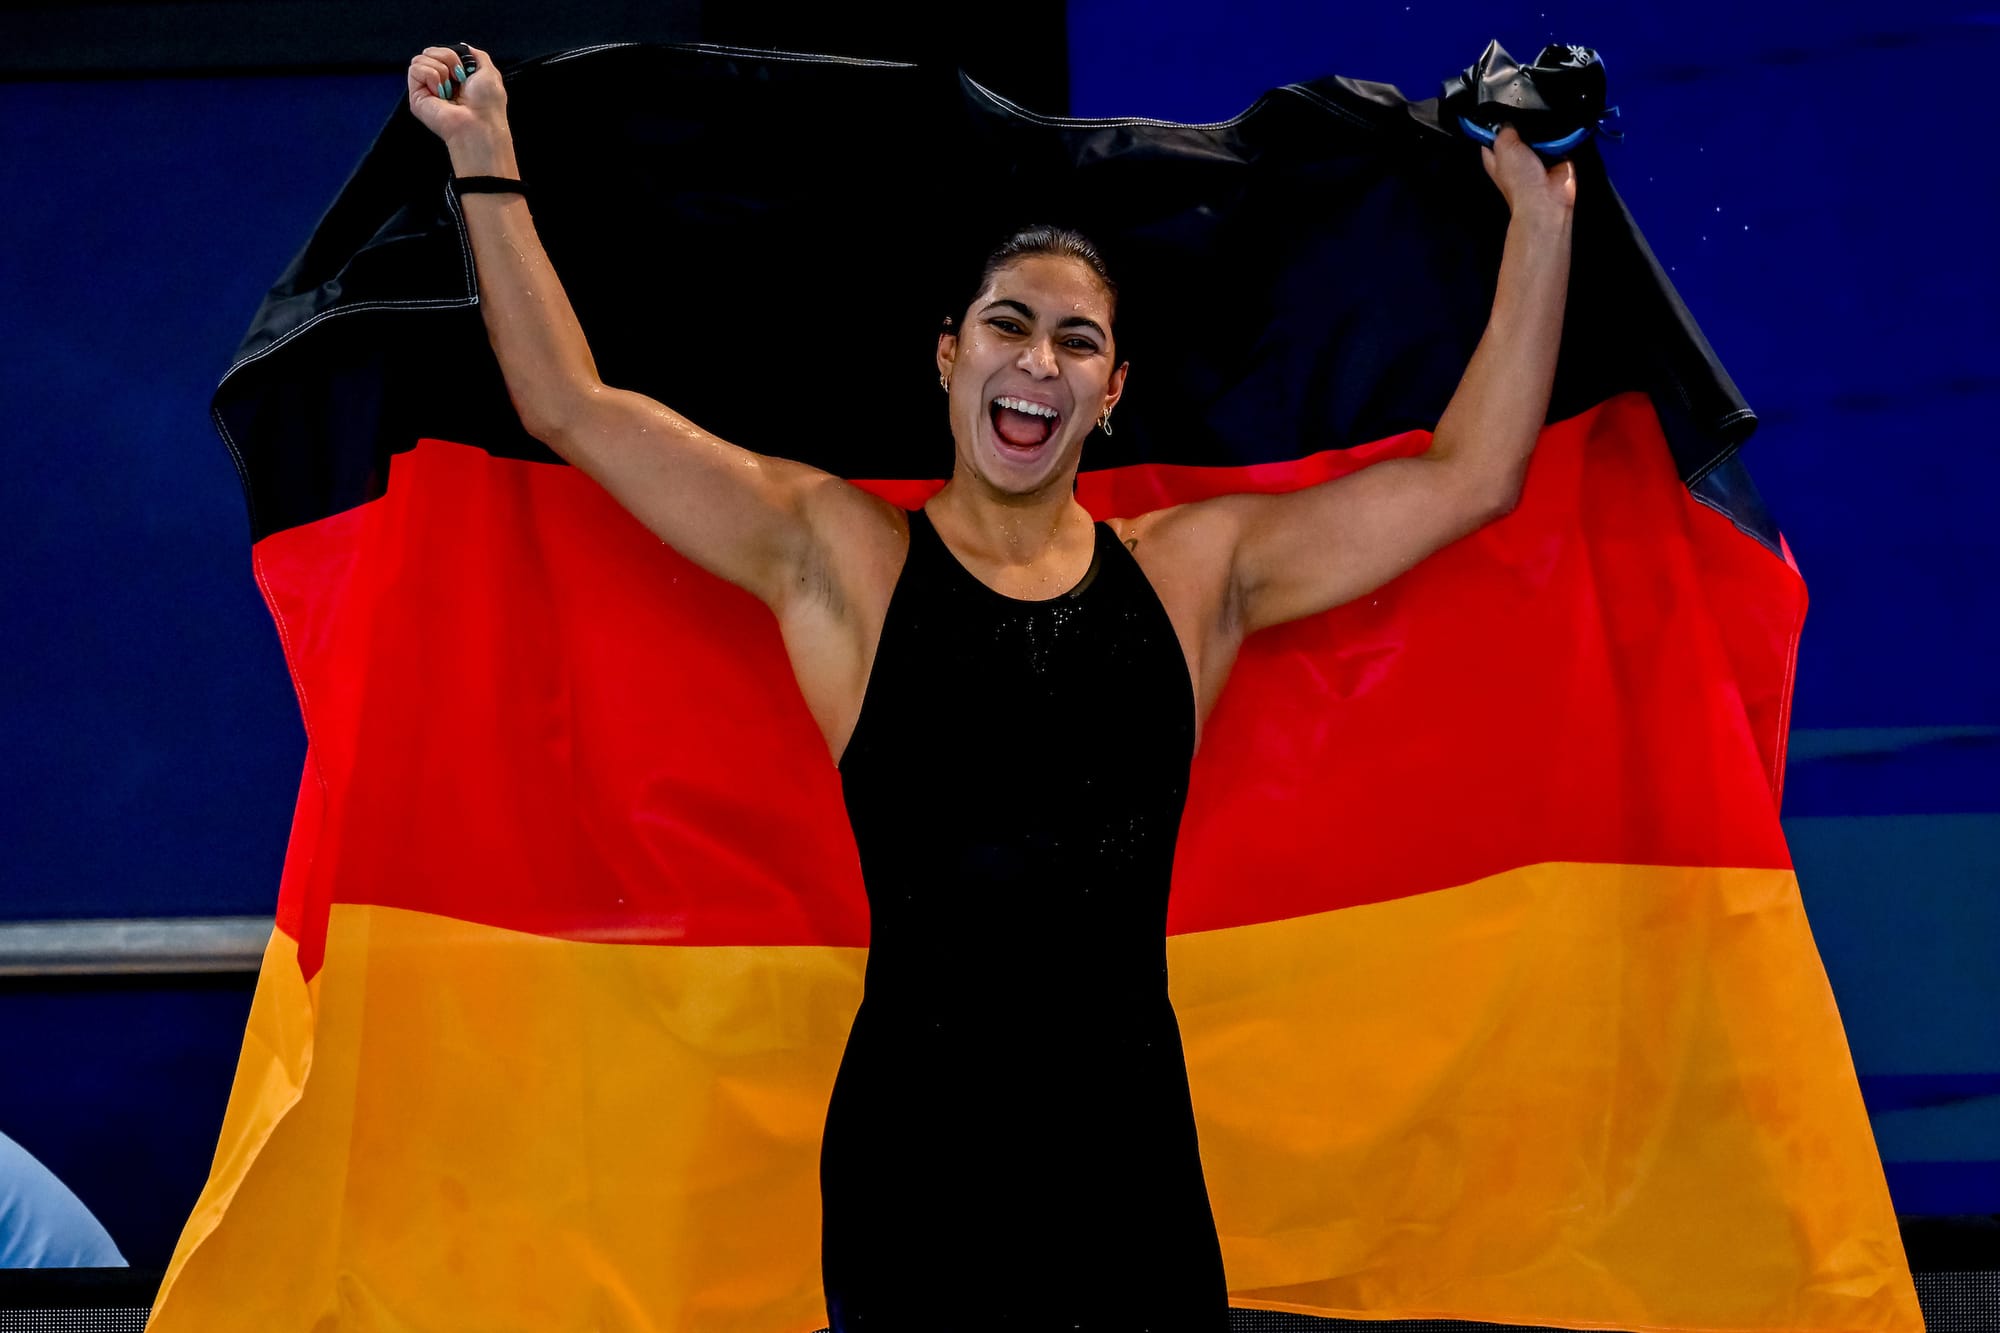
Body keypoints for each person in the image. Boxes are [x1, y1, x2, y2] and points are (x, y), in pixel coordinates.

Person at [407, 42, 1575, 1332]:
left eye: (1077, 342)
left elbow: (1474, 477)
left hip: (1130, 1177)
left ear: (1111, 394)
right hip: (918, 1176)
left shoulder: (1197, 575)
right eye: (1008, 325)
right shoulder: (839, 557)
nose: (1037, 361)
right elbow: (570, 407)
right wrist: (485, 159)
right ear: (949, 355)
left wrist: (1540, 214)